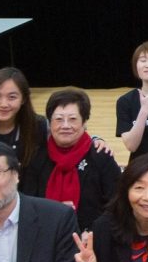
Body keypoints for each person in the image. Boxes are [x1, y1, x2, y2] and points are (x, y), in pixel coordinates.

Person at [22, 88, 123, 231]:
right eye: (58, 119)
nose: (65, 126)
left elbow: (116, 204)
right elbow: (27, 202)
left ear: (84, 122)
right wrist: (53, 212)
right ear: (49, 123)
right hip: (46, 235)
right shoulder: (36, 157)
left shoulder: (101, 156)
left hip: (92, 239)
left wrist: (95, 233)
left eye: (72, 119)